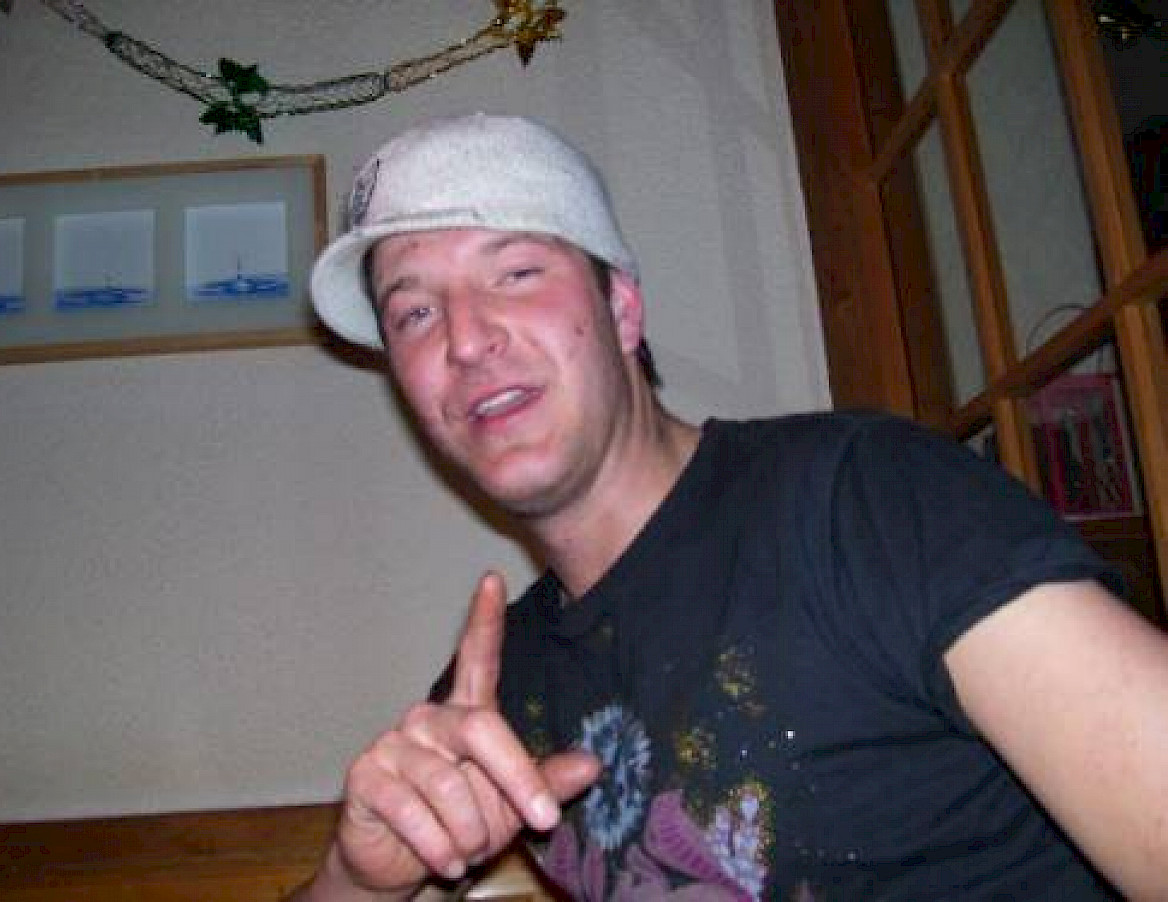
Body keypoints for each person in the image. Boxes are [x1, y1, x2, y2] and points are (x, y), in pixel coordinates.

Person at [292, 113, 1168, 901]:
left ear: (621, 309)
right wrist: (356, 880)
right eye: (413, 314)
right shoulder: (496, 691)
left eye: (516, 272)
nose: (465, 339)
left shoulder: (868, 500)